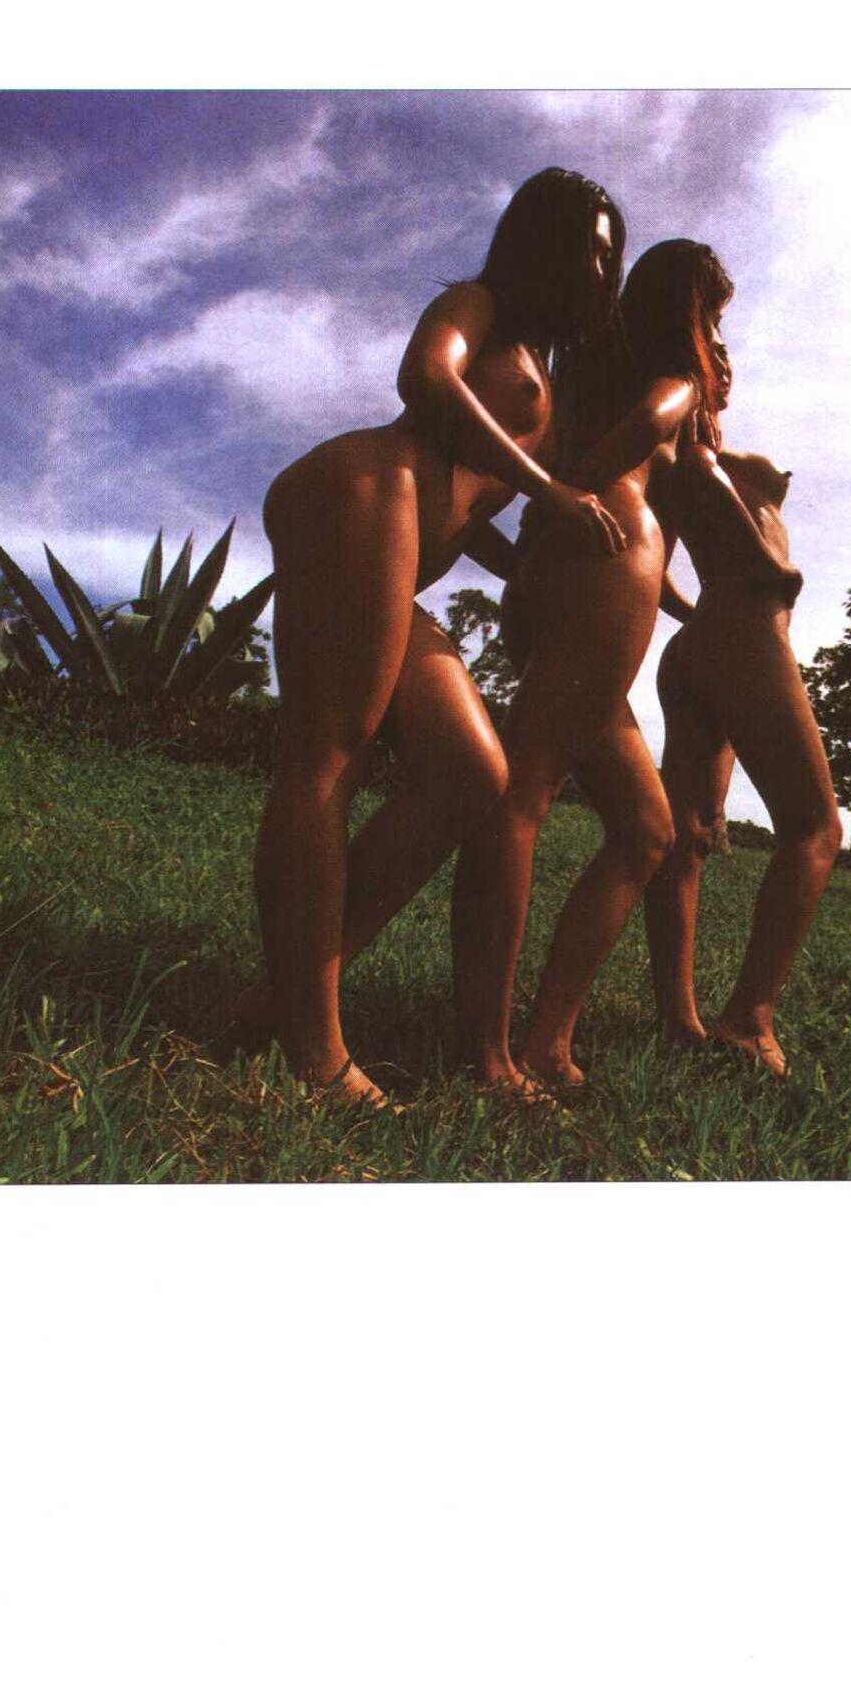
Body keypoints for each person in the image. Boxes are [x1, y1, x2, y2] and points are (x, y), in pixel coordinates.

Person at [240, 168, 628, 1107]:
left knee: (472, 771)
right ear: (536, 242)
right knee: (328, 755)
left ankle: (287, 992)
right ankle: (314, 1053)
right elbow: (424, 377)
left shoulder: (545, 367)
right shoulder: (477, 305)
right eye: (583, 245)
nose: (596, 268)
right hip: (361, 488)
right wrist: (547, 490)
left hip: (397, 538)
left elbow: (467, 500)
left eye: (609, 255)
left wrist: (522, 563)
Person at [450, 240, 737, 1094]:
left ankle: (547, 1041)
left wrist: (556, 525)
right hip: (606, 565)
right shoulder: (668, 380)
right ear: (690, 315)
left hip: (557, 579)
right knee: (523, 795)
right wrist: (569, 492)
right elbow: (651, 424)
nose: (719, 340)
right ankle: (488, 1051)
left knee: (648, 829)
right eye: (715, 320)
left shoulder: (580, 384)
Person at [644, 403, 843, 1077]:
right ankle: (748, 1021)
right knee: (816, 827)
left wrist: (697, 615)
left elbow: (657, 557)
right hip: (746, 629)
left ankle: (679, 1020)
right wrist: (771, 573)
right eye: (716, 355)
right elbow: (696, 476)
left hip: (706, 637)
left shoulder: (676, 445)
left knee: (691, 832)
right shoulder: (685, 441)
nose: (724, 365)